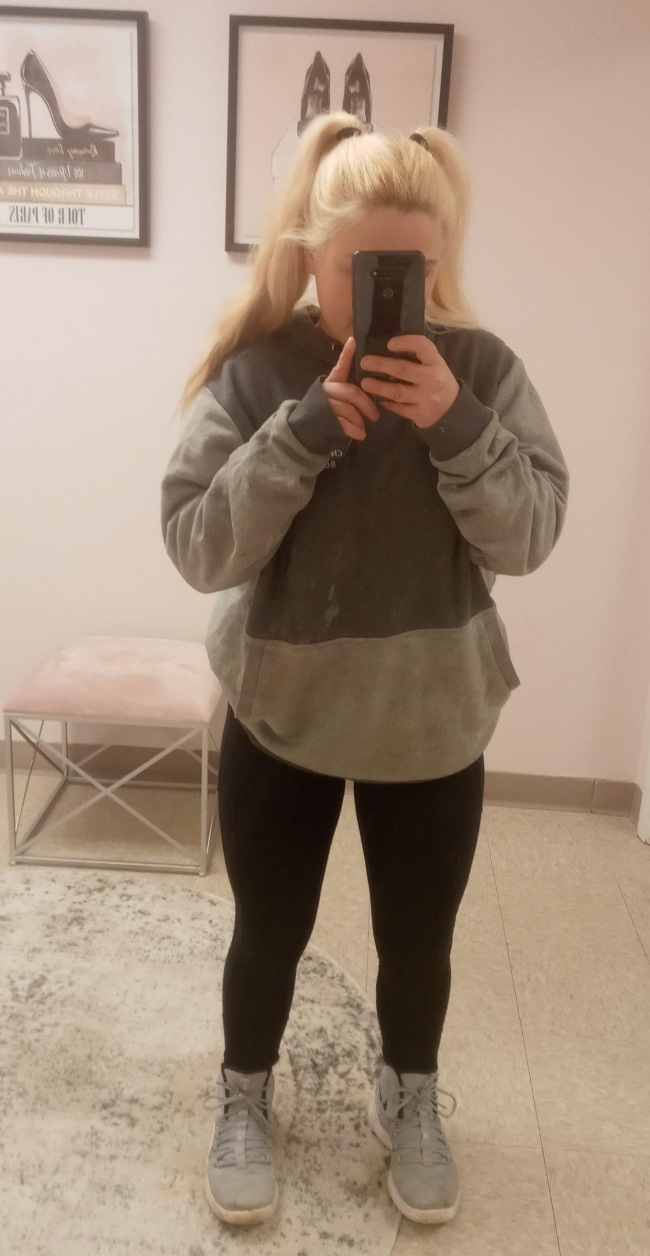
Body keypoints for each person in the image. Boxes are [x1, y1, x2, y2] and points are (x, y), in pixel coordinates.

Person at [160, 111, 569, 1230]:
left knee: (418, 942)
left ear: (439, 262)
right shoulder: (257, 373)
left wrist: (458, 425)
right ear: (309, 253)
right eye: (361, 270)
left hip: (432, 718)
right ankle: (245, 1091)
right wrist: (297, 434)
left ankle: (410, 1094)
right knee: (268, 929)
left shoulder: (481, 370)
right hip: (282, 711)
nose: (392, 295)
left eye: (413, 271)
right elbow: (198, 547)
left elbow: (530, 536)